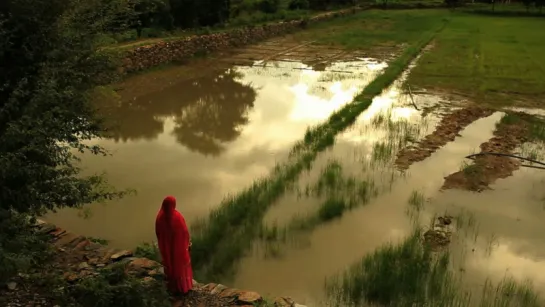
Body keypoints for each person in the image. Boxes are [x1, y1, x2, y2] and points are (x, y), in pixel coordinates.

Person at [155, 195, 193, 295]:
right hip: (178, 249)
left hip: (167, 248)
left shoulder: (159, 217)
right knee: (180, 266)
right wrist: (187, 244)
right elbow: (184, 232)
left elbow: (158, 233)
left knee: (170, 264)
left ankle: (172, 287)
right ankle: (184, 288)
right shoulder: (177, 217)